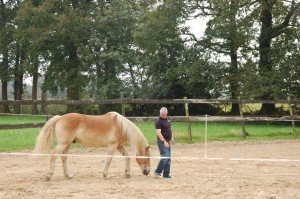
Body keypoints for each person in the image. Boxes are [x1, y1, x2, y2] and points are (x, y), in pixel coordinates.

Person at [154, 107, 175, 179]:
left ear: (167, 113)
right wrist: (164, 141)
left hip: (168, 140)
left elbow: (170, 128)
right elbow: (158, 133)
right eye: (162, 115)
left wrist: (172, 137)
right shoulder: (158, 121)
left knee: (168, 158)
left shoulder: (168, 119)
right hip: (161, 141)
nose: (163, 116)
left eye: (164, 115)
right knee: (165, 157)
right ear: (160, 113)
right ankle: (157, 172)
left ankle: (166, 174)